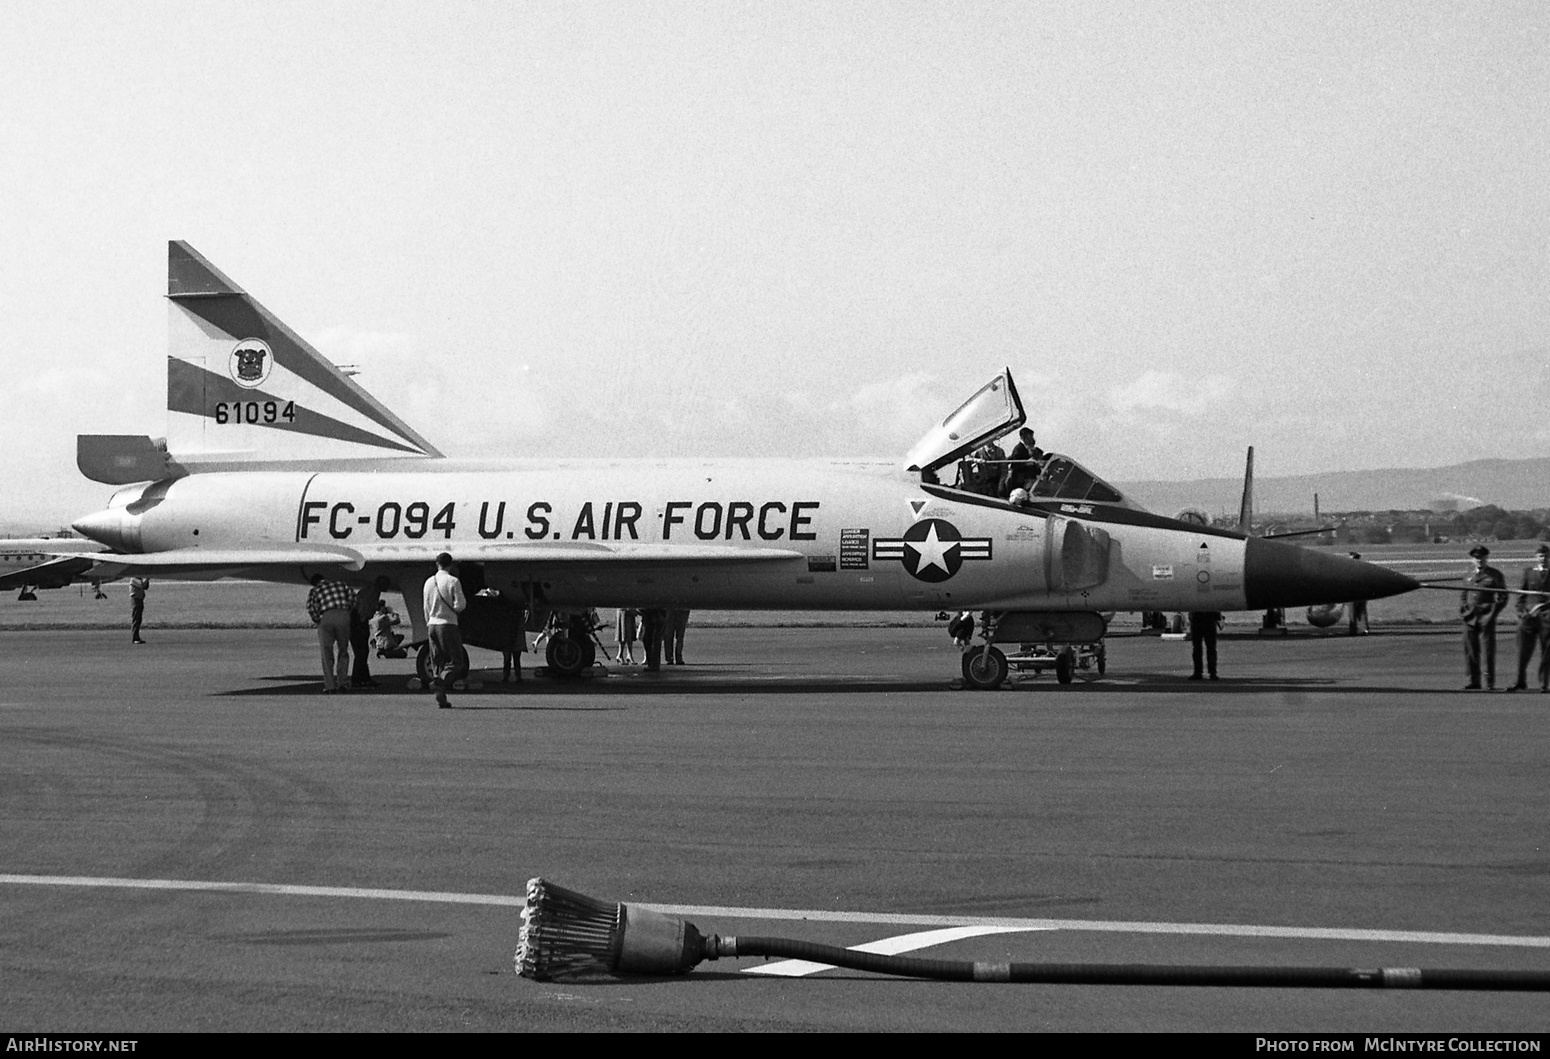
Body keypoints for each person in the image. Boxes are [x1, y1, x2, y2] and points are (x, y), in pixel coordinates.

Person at [422, 552, 467, 708]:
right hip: (447, 623)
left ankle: (440, 695)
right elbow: (460, 605)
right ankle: (440, 682)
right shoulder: (453, 581)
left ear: (437, 564)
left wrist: (429, 621)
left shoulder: (428, 582)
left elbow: (425, 607)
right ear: (451, 565)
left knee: (438, 661)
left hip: (431, 624)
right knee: (456, 661)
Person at [1459, 545, 1507, 691]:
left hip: (1486, 615)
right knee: (1471, 650)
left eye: (1482, 558)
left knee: (1488, 650)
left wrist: (1493, 611)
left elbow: (1503, 596)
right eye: (1476, 558)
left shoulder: (1495, 575)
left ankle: (1489, 682)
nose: (1479, 560)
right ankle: (1473, 681)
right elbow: (1463, 595)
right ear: (1472, 559)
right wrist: (1464, 610)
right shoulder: (1468, 575)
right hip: (1470, 616)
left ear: (1487, 558)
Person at [1509, 543, 1550, 693]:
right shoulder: (1528, 573)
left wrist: (1542, 607)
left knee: (1546, 652)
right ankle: (1520, 681)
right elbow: (1521, 596)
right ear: (1536, 557)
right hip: (1528, 618)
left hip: (1547, 618)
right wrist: (1521, 612)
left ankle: (1544, 683)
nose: (1543, 559)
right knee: (1522, 651)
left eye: (1545, 556)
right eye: (1540, 556)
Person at [306, 572, 355, 694]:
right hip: (343, 616)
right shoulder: (341, 585)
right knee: (343, 651)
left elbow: (311, 608)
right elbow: (353, 598)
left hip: (326, 617)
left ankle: (330, 686)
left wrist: (318, 620)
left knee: (326, 652)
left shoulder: (315, 590)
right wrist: (347, 612)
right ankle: (343, 683)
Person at [349, 576, 390, 688]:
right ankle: (357, 680)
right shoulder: (373, 592)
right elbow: (363, 609)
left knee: (363, 652)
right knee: (361, 652)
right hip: (358, 621)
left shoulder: (371, 590)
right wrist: (362, 623)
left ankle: (364, 678)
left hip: (358, 620)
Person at [1006, 427, 1047, 495]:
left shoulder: (1029, 449)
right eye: (1030, 437)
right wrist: (1027, 463)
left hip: (1030, 479)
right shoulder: (1019, 449)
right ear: (1023, 437)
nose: (1032, 439)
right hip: (1021, 481)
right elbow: (1014, 465)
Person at [1187, 611, 1222, 681]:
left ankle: (1199, 672)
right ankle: (1211, 672)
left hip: (1198, 619)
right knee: (1209, 648)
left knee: (1198, 648)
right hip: (1208, 619)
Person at [1346, 552, 1371, 635]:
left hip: (1356, 595)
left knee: (1356, 613)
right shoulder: (1362, 569)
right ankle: (1361, 629)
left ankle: (1357, 630)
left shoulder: (1350, 570)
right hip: (1358, 595)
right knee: (1359, 613)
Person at [129, 576, 150, 644]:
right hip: (136, 600)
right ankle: (135, 637)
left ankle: (137, 636)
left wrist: (147, 580)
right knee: (136, 619)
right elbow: (142, 585)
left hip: (139, 599)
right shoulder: (134, 579)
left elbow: (145, 587)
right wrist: (147, 578)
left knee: (138, 619)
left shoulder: (139, 579)